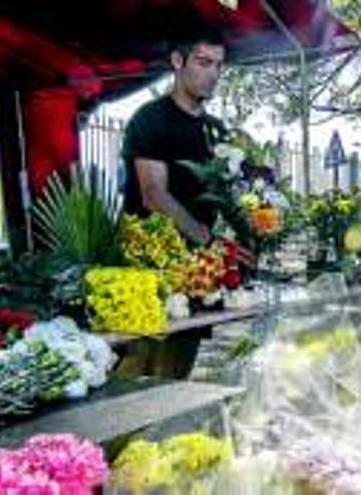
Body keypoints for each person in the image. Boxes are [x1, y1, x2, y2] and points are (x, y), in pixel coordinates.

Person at [119, 27, 251, 378]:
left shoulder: (217, 131)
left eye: (219, 66)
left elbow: (232, 195)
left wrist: (253, 227)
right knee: (140, 369)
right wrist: (209, 240)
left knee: (178, 369)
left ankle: (157, 433)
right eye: (204, 62)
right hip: (152, 270)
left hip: (198, 274)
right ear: (178, 61)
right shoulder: (150, 120)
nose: (213, 74)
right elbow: (154, 194)